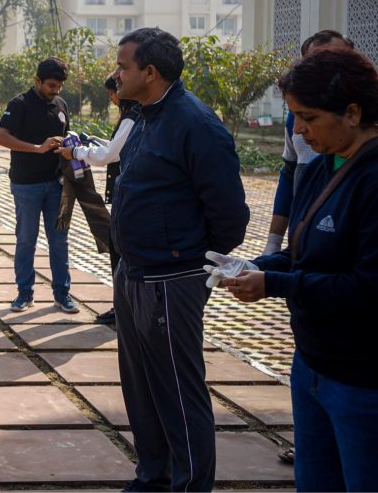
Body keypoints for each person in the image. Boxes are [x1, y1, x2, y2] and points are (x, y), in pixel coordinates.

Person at [220, 48, 378, 492]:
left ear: (352, 113)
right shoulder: (322, 167)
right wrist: (254, 266)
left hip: (361, 378)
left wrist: (273, 283)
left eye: (308, 118)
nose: (299, 131)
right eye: (294, 117)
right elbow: (303, 254)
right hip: (311, 363)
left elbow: (367, 287)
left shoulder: (371, 179)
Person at [110, 27, 249, 492]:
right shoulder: (145, 117)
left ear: (149, 72)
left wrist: (186, 259)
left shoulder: (195, 124)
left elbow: (229, 214)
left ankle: (189, 485)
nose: (116, 75)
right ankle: (154, 475)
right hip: (133, 272)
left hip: (171, 279)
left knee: (177, 392)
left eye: (123, 67)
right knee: (142, 388)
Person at [0, 57, 78, 314]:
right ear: (37, 80)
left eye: (60, 86)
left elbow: (66, 134)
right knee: (26, 240)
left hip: (58, 185)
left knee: (60, 240)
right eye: (51, 85)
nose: (56, 90)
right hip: (27, 185)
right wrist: (37, 148)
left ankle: (62, 294)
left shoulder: (61, 105)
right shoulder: (19, 104)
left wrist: (70, 145)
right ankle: (24, 293)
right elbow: (1, 137)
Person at [57, 75, 141, 325]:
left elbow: (109, 155)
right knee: (119, 249)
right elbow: (115, 148)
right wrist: (91, 142)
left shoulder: (132, 116)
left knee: (120, 251)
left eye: (112, 93)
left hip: (129, 195)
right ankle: (124, 307)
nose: (112, 98)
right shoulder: (136, 115)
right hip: (130, 193)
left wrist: (76, 151)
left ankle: (124, 309)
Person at [263, 30, 354, 257]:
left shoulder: (367, 173)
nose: (300, 129)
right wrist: (272, 248)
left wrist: (272, 276)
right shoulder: (315, 165)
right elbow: (289, 173)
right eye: (316, 65)